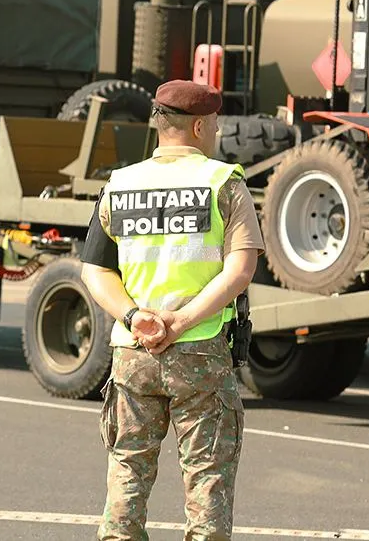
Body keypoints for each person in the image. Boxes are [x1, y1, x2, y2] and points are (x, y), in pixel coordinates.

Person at [79, 79, 263, 541]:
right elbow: (240, 270)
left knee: (127, 469)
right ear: (199, 126)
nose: (216, 132)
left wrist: (133, 317)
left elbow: (94, 270)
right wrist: (182, 321)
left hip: (134, 352)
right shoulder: (223, 182)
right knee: (207, 477)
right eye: (214, 124)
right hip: (200, 350)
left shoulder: (120, 184)